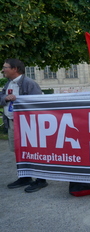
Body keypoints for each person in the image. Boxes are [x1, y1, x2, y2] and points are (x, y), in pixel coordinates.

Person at [0, 59, 49, 193]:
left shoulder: (29, 83)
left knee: (33, 151)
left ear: (15, 69)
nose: (3, 69)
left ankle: (41, 180)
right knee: (19, 151)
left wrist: (19, 99)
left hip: (27, 125)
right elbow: (1, 98)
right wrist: (5, 98)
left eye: (5, 67)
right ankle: (25, 177)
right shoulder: (9, 83)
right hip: (12, 122)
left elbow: (38, 103)